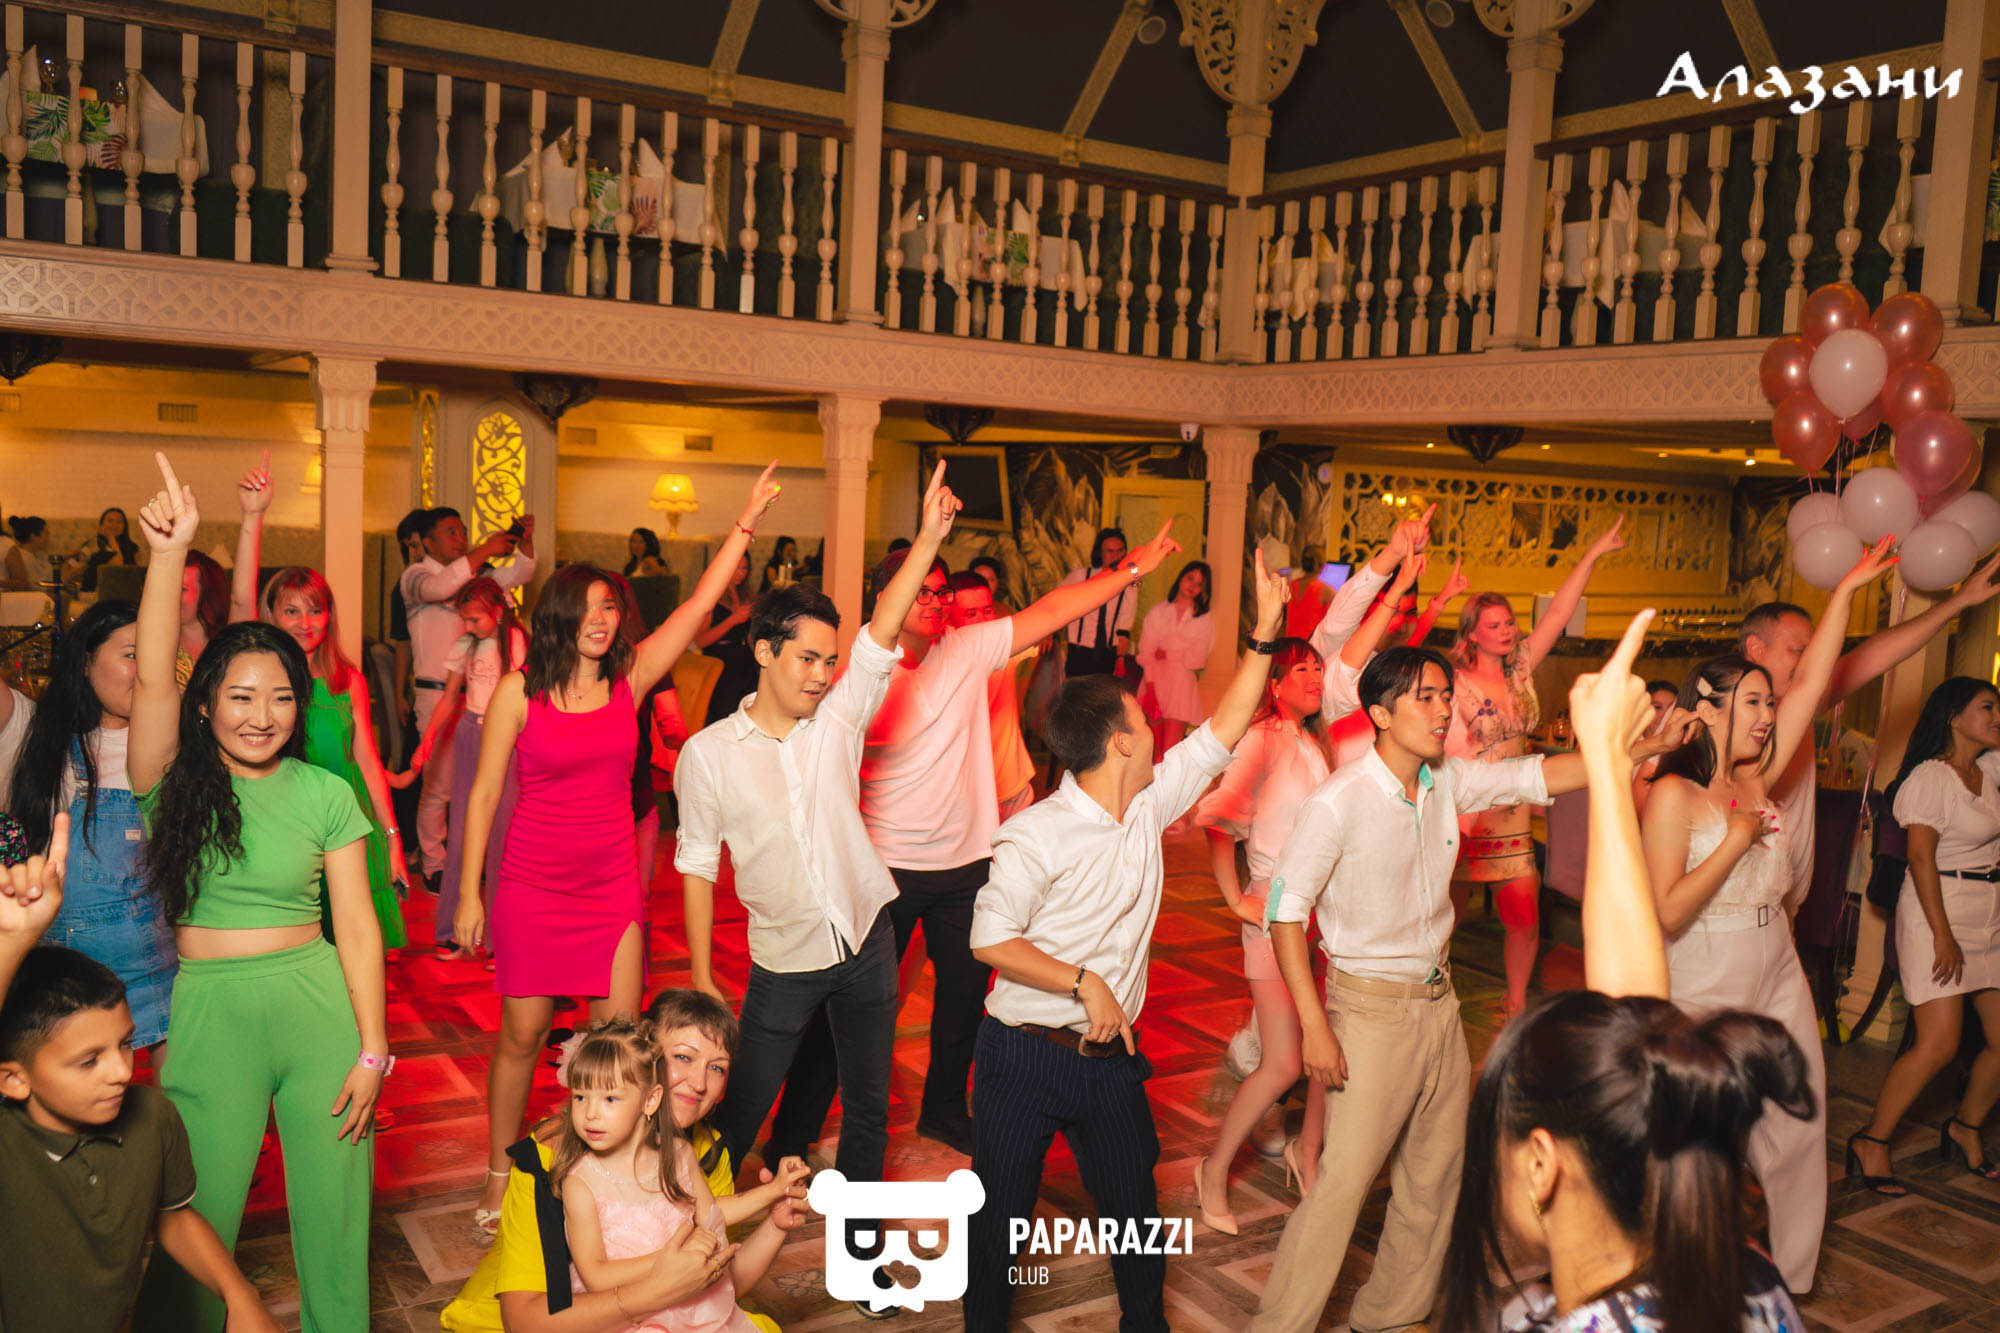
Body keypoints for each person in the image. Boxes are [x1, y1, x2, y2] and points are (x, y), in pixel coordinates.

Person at [1250, 634, 1680, 1331]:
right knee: (1342, 1188)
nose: (1443, 709)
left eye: (1446, 695)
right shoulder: (1339, 801)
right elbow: (1284, 914)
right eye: (1426, 697)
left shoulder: (1445, 780)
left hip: (1438, 1003)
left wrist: (1627, 749)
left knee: (1435, 1178)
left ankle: (1390, 1314)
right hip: (1369, 1011)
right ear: (1380, 713)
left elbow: (1539, 776)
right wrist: (1315, 1026)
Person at [1438, 608, 1810, 1333]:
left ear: (1540, 1164)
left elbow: (1632, 1020)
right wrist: (1613, 761)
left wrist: (1616, 758)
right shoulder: (1754, 1279)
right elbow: (1635, 1041)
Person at [961, 549, 1283, 1331]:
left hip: (1108, 1062)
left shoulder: (1147, 802)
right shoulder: (1036, 832)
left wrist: (1265, 636)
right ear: (1122, 742)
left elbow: (1224, 727)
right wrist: (1083, 980)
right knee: (998, 1229)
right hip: (1023, 1055)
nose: (1153, 722)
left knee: (1135, 1218)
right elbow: (988, 938)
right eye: (1140, 717)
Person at [456, 466, 782, 1230]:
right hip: (531, 886)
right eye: (589, 607)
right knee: (522, 1037)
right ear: (559, 615)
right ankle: (500, 1173)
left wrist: (744, 524)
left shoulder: (628, 681)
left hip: (609, 890)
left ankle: (605, 1170)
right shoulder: (519, 691)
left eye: (611, 606)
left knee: (619, 1044)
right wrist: (469, 891)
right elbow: (483, 794)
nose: (602, 619)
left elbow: (697, 608)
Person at [126, 454, 387, 1333]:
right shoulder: (169, 781)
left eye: (279, 697)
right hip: (211, 1011)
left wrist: (374, 1049)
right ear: (204, 704)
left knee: (337, 1217)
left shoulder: (324, 792)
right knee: (194, 1212)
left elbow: (357, 927)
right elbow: (152, 675)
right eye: (239, 695)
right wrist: (169, 554)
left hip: (319, 1010)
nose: (261, 714)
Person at [673, 464, 959, 1228]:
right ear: (765, 652)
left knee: (867, 1110)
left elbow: (882, 630)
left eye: (830, 661)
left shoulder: (838, 719)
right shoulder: (708, 755)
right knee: (739, 1111)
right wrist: (701, 972)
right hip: (783, 959)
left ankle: (860, 1256)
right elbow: (696, 864)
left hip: (868, 940)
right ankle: (695, 1243)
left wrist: (930, 537)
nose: (823, 674)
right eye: (808, 658)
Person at [849, 517, 1185, 1156]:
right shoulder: (866, 665)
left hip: (964, 863)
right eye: (920, 590)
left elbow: (1054, 609)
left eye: (940, 591)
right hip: (883, 864)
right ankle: (816, 1122)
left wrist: (1131, 570)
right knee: (861, 1000)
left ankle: (944, 1110)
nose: (935, 601)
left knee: (962, 1000)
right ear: (888, 597)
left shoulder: (967, 649)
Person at [1641, 538, 1894, 1295]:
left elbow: (1812, 680)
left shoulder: (1761, 774)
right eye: (1752, 703)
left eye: (1768, 703)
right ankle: (1676, 1275)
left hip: (1777, 960)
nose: (1767, 715)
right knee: (1697, 1139)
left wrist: (1847, 591)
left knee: (1799, 1115)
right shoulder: (1674, 795)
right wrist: (1737, 840)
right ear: (1709, 710)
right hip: (1703, 971)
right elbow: (1667, 909)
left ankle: (1790, 1278)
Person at [0, 821, 282, 1333]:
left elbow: (173, 1216)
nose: (122, 1071)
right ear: (14, 1080)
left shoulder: (151, 1116)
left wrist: (240, 1296)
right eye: (88, 1060)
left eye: (125, 1043)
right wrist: (15, 942)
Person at [440, 988, 797, 1333]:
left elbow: (712, 1282)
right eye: (683, 1058)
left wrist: (775, 1222)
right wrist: (660, 1287)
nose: (699, 1083)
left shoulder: (703, 1151)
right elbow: (526, 1322)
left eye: (717, 1068)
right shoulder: (551, 1158)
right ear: (643, 1058)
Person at [1738, 550, 2000, 922]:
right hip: (1739, 902)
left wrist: (1959, 601)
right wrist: (1846, 591)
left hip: (1784, 907)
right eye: (1800, 651)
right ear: (1755, 649)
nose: (1815, 660)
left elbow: (1878, 654)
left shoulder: (1805, 704)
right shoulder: (1729, 719)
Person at [1447, 517, 1627, 1018]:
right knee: (1444, 922)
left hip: (1513, 814)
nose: (1507, 632)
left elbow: (1561, 611)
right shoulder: (1454, 683)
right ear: (1472, 634)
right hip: (1465, 814)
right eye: (1495, 626)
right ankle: (1430, 994)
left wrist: (1592, 555)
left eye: (1509, 623)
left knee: (1524, 920)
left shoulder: (1521, 667)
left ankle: (1516, 1002)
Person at [0, 601, 178, 1049]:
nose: (145, 671)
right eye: (131, 654)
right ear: (85, 662)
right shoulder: (38, 735)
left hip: (159, 982)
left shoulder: (179, 747)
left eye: (156, 657)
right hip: (59, 991)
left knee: (171, 1096)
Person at [556, 1019, 807, 1332]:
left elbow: (712, 1213)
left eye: (609, 1099)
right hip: (629, 1313)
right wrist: (673, 1260)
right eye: (581, 1097)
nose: (591, 1113)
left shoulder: (678, 1154)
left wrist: (775, 1190)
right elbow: (595, 1276)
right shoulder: (581, 1183)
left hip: (690, 1305)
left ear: (650, 1100)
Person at [1850, 676, 2000, 1193]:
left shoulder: (1988, 770)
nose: (1997, 716)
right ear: (1954, 717)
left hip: (1987, 914)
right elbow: (1919, 858)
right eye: (1987, 707)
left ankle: (1965, 1127)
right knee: (1939, 1044)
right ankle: (1872, 1140)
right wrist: (1943, 935)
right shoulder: (1931, 778)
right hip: (1938, 912)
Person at [259, 566, 412, 954]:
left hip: (350, 823)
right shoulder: (262, 681)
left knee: (357, 950)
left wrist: (392, 838)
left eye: (315, 610)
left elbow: (368, 764)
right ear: (271, 615)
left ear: (329, 616)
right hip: (291, 829)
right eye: (291, 611)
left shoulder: (348, 680)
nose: (305, 623)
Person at [401, 506, 537, 892]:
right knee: (440, 785)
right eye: (450, 532)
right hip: (437, 692)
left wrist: (523, 543)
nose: (460, 539)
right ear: (427, 541)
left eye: (462, 532)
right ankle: (435, 862)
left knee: (488, 784)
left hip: (486, 699)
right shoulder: (416, 576)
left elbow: (521, 572)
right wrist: (485, 549)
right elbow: (443, 587)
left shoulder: (480, 578)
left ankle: (482, 861)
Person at [399, 577, 527, 962]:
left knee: (502, 837)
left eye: (475, 619)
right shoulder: (465, 644)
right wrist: (427, 739)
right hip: (471, 732)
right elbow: (448, 699)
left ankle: (499, 940)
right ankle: (453, 930)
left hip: (506, 736)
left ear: (498, 613)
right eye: (465, 619)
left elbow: (527, 698)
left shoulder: (515, 642)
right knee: (461, 832)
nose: (468, 626)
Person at [944, 570, 1036, 820]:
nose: (983, 621)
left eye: (987, 611)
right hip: (965, 794)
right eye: (971, 614)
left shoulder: (1005, 646)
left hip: (1012, 783)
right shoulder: (940, 660)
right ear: (949, 620)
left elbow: (1051, 617)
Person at [1135, 560, 1213, 753]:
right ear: (1181, 578)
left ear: (1204, 590)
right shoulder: (1158, 612)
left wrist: (1168, 652)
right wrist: (1150, 689)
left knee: (1170, 753)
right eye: (1190, 578)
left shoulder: (1203, 620)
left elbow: (1197, 659)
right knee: (1151, 752)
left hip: (1181, 687)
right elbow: (1146, 652)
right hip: (1154, 681)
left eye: (1199, 584)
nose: (1193, 586)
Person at [1058, 527, 1136, 679]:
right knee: (1075, 693)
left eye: (1120, 551)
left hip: (1108, 655)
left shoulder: (1129, 584)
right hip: (1079, 653)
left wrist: (1120, 658)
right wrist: (1048, 635)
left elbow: (1124, 626)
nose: (1116, 556)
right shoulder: (1081, 576)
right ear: (1100, 553)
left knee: (1102, 694)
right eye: (1110, 551)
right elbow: (1057, 602)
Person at [693, 552, 757, 725]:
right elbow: (700, 641)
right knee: (725, 721)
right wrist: (733, 620)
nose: (740, 573)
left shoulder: (744, 594)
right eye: (736, 568)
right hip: (723, 668)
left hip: (746, 666)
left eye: (744, 568)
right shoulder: (712, 596)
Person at [388, 508, 431, 742]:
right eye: (407, 548)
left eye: (415, 545)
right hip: (426, 687)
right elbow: (402, 644)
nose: (413, 553)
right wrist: (399, 695)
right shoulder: (404, 588)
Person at [64, 505, 139, 593]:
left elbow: (127, 570)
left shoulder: (132, 547)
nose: (114, 525)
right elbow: (74, 566)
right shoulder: (93, 544)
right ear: (101, 525)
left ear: (124, 527)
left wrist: (111, 538)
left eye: (119, 522)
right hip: (97, 591)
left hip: (126, 590)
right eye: (110, 521)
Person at [2, 515, 51, 590]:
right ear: (33, 536)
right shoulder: (20, 556)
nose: (48, 539)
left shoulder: (40, 554)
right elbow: (35, 587)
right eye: (46, 534)